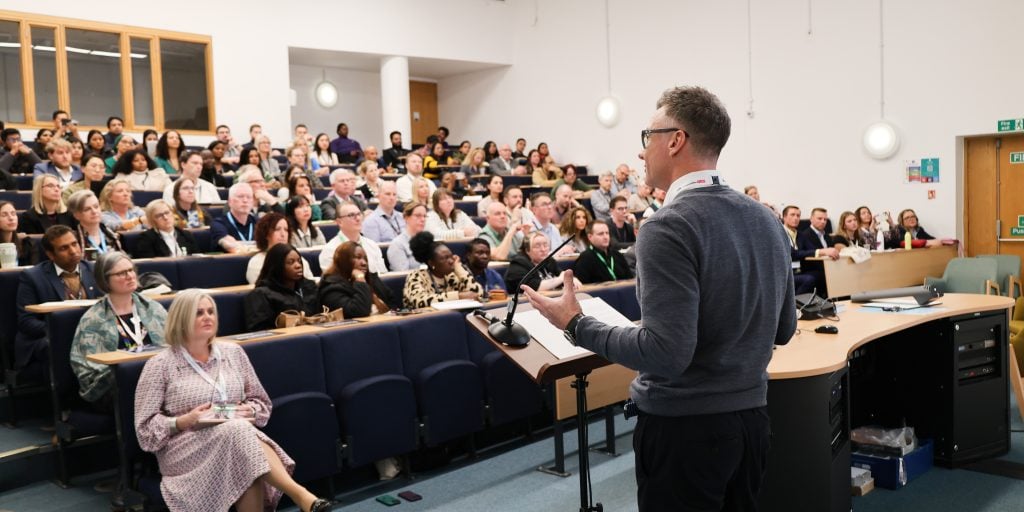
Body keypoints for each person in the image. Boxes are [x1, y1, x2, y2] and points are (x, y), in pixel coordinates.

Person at [520, 86, 796, 512]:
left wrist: (576, 324)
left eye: (647, 136)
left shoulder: (668, 226)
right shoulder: (767, 219)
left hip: (686, 433)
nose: (642, 153)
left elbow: (667, 353)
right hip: (753, 423)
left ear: (675, 140)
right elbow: (784, 329)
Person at [134, 289, 333, 512]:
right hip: (184, 447)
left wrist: (249, 410)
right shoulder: (159, 365)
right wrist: (185, 420)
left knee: (242, 450)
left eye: (211, 311)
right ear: (181, 319)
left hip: (235, 438)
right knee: (240, 438)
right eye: (198, 313)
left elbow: (261, 402)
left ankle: (302, 497)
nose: (208, 317)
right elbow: (145, 430)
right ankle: (301, 495)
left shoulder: (233, 353)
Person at [70, 251, 167, 405]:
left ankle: (217, 415)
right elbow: (89, 371)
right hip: (118, 388)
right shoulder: (94, 319)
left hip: (160, 380)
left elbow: (174, 345)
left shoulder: (153, 308)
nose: (130, 276)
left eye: (131, 270)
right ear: (105, 280)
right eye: (122, 273)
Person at [16, 225, 103, 381]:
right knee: (61, 344)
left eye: (74, 244)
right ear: (50, 254)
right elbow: (26, 321)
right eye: (64, 248)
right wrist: (63, 331)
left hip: (93, 334)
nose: (73, 251)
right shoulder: (33, 277)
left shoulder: (94, 270)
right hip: (51, 336)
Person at [244, 243, 320, 331]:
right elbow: (259, 332)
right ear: (277, 266)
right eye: (291, 262)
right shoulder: (261, 295)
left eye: (299, 261)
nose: (298, 266)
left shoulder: (309, 287)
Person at [402, 232, 483, 308]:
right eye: (445, 258)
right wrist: (458, 296)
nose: (451, 261)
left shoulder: (452, 276)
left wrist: (460, 270)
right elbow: (419, 301)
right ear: (431, 263)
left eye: (451, 256)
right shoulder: (416, 276)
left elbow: (477, 293)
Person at [318, 241, 395, 317]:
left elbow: (393, 305)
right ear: (344, 261)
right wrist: (360, 280)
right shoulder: (331, 287)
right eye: (358, 258)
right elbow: (359, 311)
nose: (364, 263)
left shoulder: (372, 279)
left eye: (365, 259)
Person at [319, 201, 387, 274]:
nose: (358, 218)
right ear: (339, 222)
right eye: (351, 215)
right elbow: (333, 281)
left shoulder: (372, 245)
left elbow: (382, 275)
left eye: (359, 214)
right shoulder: (330, 250)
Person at [246, 212, 314, 285]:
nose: (283, 234)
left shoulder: (298, 259)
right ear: (265, 233)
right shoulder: (257, 262)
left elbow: (310, 285)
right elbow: (261, 290)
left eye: (286, 230)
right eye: (277, 229)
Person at [504, 232, 577, 292]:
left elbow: (562, 274)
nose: (543, 249)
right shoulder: (518, 264)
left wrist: (572, 280)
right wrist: (562, 279)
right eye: (537, 246)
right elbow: (535, 288)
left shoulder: (549, 261)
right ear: (527, 250)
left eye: (545, 245)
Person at [68, 189, 124, 259]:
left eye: (96, 206)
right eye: (87, 209)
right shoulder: (73, 239)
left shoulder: (111, 235)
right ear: (76, 215)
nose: (94, 211)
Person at [133, 200, 200, 258]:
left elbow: (196, 259)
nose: (165, 217)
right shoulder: (146, 239)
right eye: (159, 215)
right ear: (152, 220)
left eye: (167, 213)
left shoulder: (186, 235)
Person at [573, 220, 634, 284]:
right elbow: (582, 287)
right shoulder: (584, 259)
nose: (605, 237)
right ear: (590, 237)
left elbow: (630, 280)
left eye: (607, 233)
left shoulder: (618, 255)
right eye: (601, 234)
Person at [797, 207, 840, 296]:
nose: (823, 221)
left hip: (830, 267)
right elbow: (804, 255)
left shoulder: (827, 236)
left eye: (825, 219)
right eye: (819, 218)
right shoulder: (804, 235)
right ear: (811, 219)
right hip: (814, 269)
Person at [781, 205, 818, 296]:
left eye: (798, 215)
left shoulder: (800, 234)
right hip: (786, 273)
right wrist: (820, 252)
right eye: (792, 215)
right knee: (809, 279)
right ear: (784, 217)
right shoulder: (780, 233)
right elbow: (792, 253)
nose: (796, 218)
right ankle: (794, 305)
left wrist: (822, 252)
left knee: (821, 274)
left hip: (799, 270)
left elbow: (812, 249)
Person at [211, 182, 259, 253]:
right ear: (230, 201)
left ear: (253, 202)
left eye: (248, 197)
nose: (245, 200)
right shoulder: (218, 223)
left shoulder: (259, 222)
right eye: (240, 196)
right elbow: (229, 245)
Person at [387, 202, 428, 272]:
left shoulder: (427, 240)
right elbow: (403, 275)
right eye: (418, 216)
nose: (423, 219)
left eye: (424, 216)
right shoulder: (397, 244)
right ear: (406, 218)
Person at [0, 200, 35, 266]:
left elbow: (34, 271)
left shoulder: (27, 244)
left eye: (13, 214)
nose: (11, 218)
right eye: (4, 215)